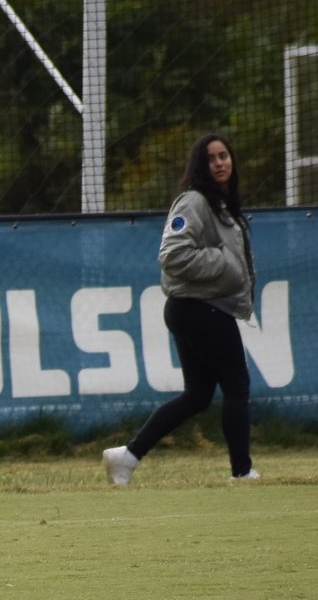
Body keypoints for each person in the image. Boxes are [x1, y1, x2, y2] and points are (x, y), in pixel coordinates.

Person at [103, 135, 262, 487]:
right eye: (211, 158)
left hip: (197, 308)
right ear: (199, 166)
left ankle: (126, 458)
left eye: (224, 156)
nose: (220, 163)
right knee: (237, 385)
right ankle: (242, 472)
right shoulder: (194, 200)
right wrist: (223, 263)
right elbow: (172, 255)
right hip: (199, 308)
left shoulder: (220, 204)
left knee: (198, 395)